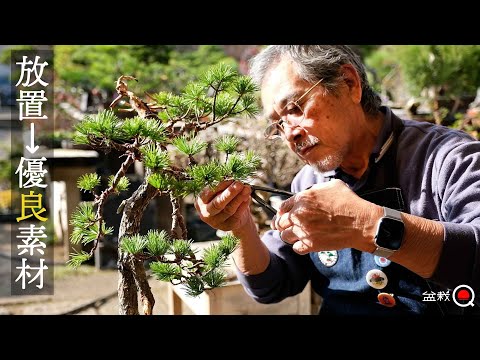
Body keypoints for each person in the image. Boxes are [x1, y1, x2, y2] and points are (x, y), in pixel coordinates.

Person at [194, 45, 480, 315]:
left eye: (295, 108)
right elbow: (272, 283)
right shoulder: (308, 182)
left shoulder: (448, 159)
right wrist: (241, 227)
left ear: (348, 83)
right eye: (278, 124)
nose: (289, 134)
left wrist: (365, 224)